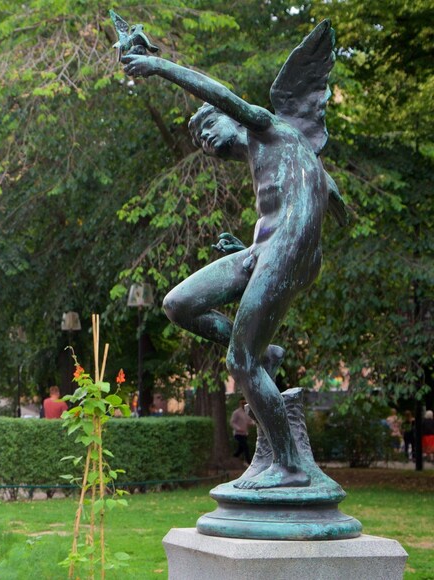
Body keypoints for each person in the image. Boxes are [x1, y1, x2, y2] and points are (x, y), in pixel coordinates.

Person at [123, 20, 345, 489]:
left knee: (239, 362)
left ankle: (287, 466)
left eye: (207, 127)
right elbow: (306, 193)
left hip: (287, 249)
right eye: (199, 141)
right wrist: (245, 249)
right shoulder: (271, 156)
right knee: (178, 305)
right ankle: (264, 355)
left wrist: (157, 66)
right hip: (265, 249)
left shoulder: (269, 126)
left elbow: (223, 95)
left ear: (231, 118)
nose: (205, 142)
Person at [231, 399, 254, 464]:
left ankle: (234, 457)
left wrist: (253, 423)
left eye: (245, 403)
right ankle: (248, 462)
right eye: (242, 403)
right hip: (238, 434)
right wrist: (238, 428)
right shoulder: (236, 412)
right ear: (240, 404)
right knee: (245, 447)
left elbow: (250, 421)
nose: (244, 404)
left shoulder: (247, 412)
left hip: (245, 433)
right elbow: (232, 422)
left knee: (240, 449)